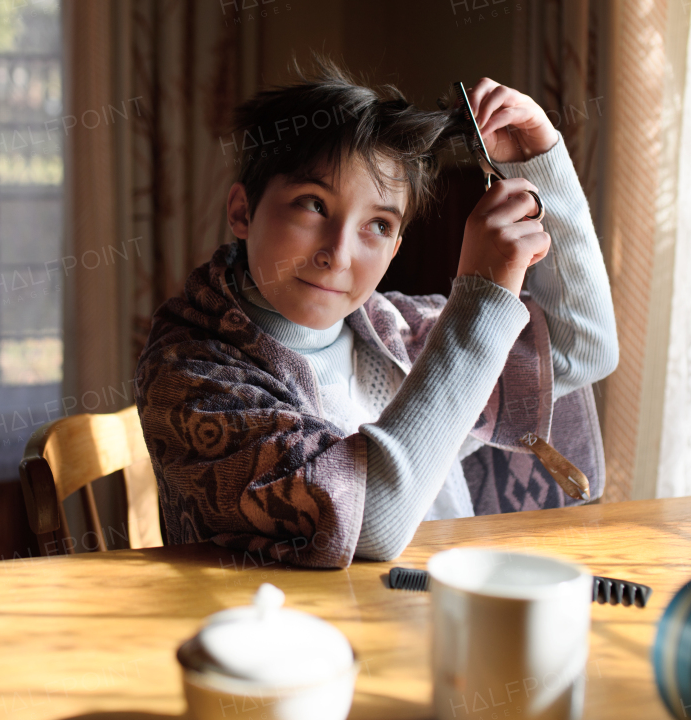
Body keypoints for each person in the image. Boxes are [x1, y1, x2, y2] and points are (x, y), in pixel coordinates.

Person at [134, 58, 618, 568]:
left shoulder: (388, 330)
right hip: (284, 634)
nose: (338, 254)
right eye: (312, 205)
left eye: (379, 225)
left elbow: (581, 348)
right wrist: (480, 299)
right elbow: (371, 525)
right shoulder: (190, 372)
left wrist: (537, 163)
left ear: (395, 249)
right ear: (242, 211)